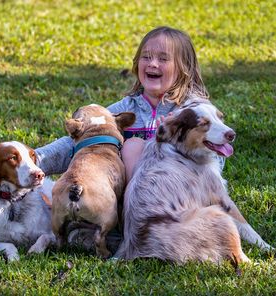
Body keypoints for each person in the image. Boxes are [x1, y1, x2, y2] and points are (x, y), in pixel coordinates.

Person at [35, 26, 222, 252]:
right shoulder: (122, 111)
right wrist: (30, 162)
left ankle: (146, 234)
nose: (152, 64)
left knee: (136, 147)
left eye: (163, 58)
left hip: (177, 202)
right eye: (146, 57)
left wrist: (175, 138)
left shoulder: (195, 112)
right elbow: (78, 143)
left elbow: (214, 162)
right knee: (130, 148)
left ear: (184, 69)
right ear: (136, 63)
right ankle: (128, 230)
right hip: (129, 208)